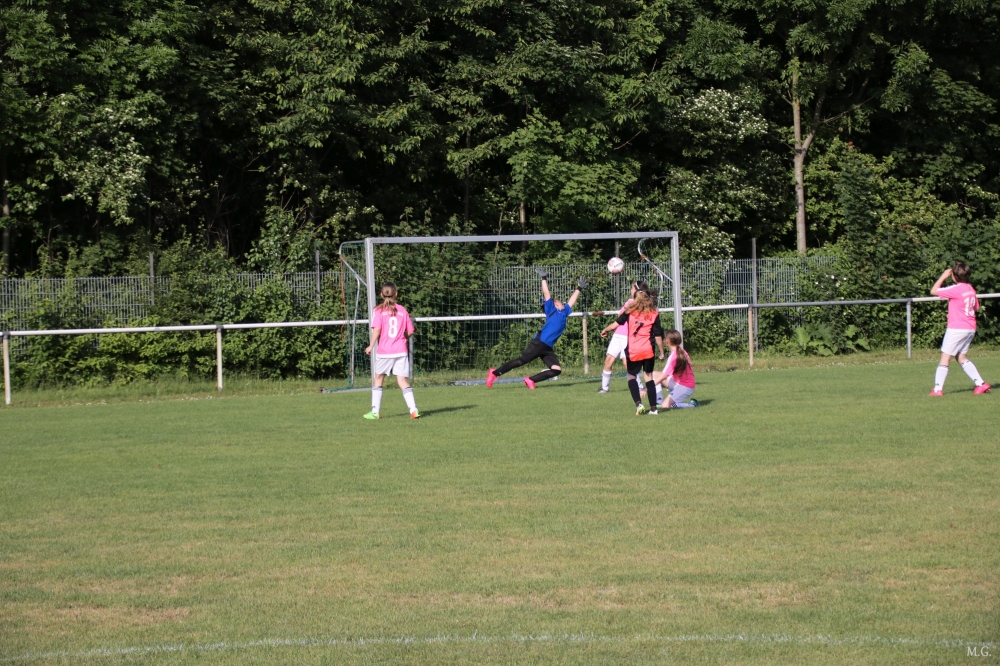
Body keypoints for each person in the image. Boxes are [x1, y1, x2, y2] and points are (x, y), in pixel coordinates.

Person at [487, 269, 585, 389]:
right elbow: (546, 293)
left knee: (556, 370)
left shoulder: (564, 313)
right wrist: (544, 278)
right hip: (539, 342)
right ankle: (494, 373)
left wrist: (579, 288)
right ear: (555, 304)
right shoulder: (552, 310)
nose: (563, 303)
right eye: (560, 301)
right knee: (521, 361)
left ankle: (530, 380)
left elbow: (571, 301)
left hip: (547, 347)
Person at [929, 261, 990, 396]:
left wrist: (943, 276)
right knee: (961, 357)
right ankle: (981, 384)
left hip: (957, 328)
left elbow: (933, 291)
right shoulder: (970, 288)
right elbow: (976, 307)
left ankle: (937, 389)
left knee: (945, 357)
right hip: (970, 327)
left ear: (954, 276)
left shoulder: (955, 289)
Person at [600, 290, 665, 415]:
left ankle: (638, 404)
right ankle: (653, 409)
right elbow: (657, 335)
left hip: (633, 350)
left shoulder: (629, 312)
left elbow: (615, 325)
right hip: (648, 350)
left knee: (631, 376)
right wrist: (661, 352)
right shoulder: (654, 314)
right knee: (648, 378)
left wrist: (605, 330)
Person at [363, 283, 420, 419]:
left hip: (385, 351)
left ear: (381, 295)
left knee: (378, 379)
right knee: (402, 380)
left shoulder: (378, 310)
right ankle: (414, 410)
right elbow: (411, 331)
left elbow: (377, 329)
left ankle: (375, 412)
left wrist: (371, 345)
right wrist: (401, 338)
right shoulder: (402, 310)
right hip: (401, 351)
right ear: (396, 294)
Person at [598, 280, 649, 394]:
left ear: (636, 290)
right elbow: (620, 316)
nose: (630, 290)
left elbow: (623, 316)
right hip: (618, 335)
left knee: (627, 364)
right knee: (608, 360)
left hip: (629, 337)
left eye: (632, 288)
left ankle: (640, 387)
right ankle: (605, 388)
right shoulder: (631, 302)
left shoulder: (638, 304)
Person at [652, 329, 700, 409]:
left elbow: (664, 376)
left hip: (685, 387)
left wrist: (647, 388)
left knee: (665, 406)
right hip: (677, 382)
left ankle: (692, 405)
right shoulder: (680, 351)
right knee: (653, 374)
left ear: (667, 341)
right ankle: (659, 401)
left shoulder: (675, 356)